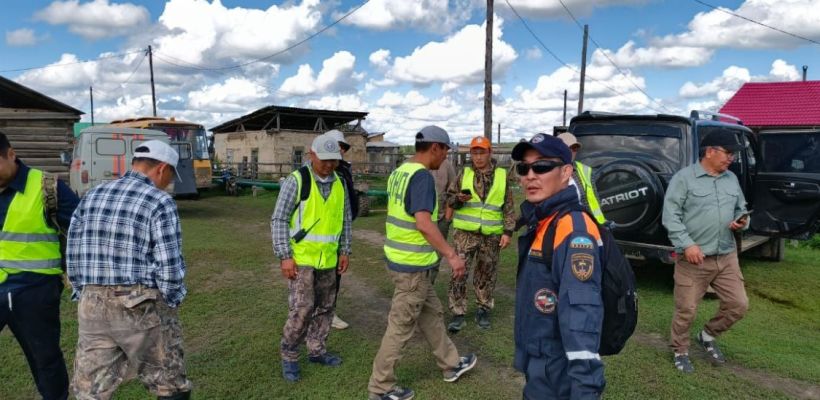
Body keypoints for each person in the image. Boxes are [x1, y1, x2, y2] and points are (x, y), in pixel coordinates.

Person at [67, 140, 192, 400]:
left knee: (90, 389)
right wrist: (172, 299)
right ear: (161, 169)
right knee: (168, 382)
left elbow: (73, 249)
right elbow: (169, 265)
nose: (169, 183)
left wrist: (82, 290)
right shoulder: (160, 201)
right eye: (170, 176)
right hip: (139, 305)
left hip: (92, 304)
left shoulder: (93, 195)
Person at [368, 126, 477, 400]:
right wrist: (451, 255)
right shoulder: (421, 177)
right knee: (400, 326)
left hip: (403, 261)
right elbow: (424, 224)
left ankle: (451, 364)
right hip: (412, 267)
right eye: (445, 151)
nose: (446, 158)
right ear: (435, 148)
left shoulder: (400, 171)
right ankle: (380, 388)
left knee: (432, 314)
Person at [512, 133, 606, 399]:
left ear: (566, 172)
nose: (530, 176)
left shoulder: (573, 230)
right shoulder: (544, 219)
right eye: (524, 168)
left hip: (557, 369)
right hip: (540, 359)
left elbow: (582, 313)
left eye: (542, 166)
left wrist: (585, 389)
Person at [662, 131, 750, 373]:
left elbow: (741, 208)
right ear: (710, 151)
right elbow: (671, 216)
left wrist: (742, 221)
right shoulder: (684, 179)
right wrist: (687, 244)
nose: (731, 158)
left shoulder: (731, 178)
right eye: (728, 153)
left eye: (733, 154)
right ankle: (680, 350)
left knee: (738, 304)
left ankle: (708, 335)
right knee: (687, 309)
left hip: (726, 256)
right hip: (694, 259)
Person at [0, 131, 78, 400]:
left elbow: (84, 232)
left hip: (35, 291)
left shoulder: (48, 189)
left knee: (45, 359)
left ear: (11, 154)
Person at [271, 133, 351, 382]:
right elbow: (279, 219)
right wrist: (285, 256)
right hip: (302, 259)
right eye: (324, 160)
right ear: (311, 155)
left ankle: (317, 350)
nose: (329, 165)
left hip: (329, 260)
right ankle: (289, 355)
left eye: (334, 160)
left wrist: (345, 250)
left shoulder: (340, 183)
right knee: (302, 309)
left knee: (326, 308)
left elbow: (345, 220)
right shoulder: (297, 181)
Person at [446, 136, 515, 332]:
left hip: (491, 236)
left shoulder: (501, 176)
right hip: (465, 235)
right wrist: (458, 199)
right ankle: (458, 312)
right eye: (474, 153)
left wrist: (508, 232)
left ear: (489, 153)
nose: (477, 157)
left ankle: (483, 309)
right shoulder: (464, 174)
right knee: (458, 272)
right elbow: (449, 199)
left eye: (481, 152)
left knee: (486, 274)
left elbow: (508, 206)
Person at [324, 129, 359, 330]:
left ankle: (329, 311)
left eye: (343, 147)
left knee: (334, 275)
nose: (341, 150)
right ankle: (312, 313)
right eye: (337, 146)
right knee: (312, 277)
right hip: (318, 233)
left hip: (337, 231)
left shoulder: (343, 169)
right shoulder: (318, 170)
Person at [558, 132, 606, 224]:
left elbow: (595, 200)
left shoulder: (585, 170)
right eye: (568, 148)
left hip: (592, 224)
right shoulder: (549, 173)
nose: (572, 152)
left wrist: (601, 225)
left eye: (574, 148)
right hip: (565, 226)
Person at [430, 153, 457, 240]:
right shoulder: (416, 165)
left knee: (438, 247)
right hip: (419, 220)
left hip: (440, 220)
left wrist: (446, 220)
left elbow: (453, 192)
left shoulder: (446, 165)